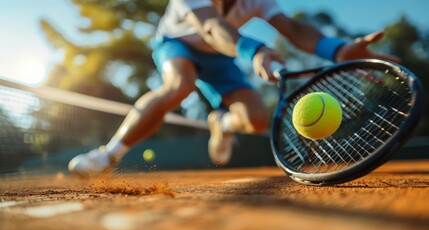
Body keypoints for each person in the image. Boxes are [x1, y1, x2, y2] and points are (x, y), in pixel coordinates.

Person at [68, 0, 399, 177]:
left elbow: (293, 28)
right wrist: (254, 51)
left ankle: (221, 122)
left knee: (255, 118)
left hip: (224, 53)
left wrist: (337, 50)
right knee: (179, 85)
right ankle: (108, 155)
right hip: (179, 44)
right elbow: (212, 27)